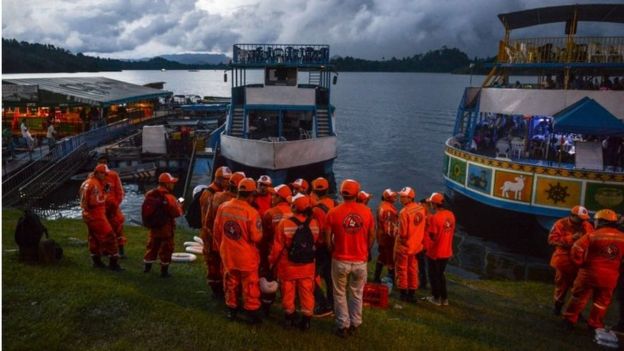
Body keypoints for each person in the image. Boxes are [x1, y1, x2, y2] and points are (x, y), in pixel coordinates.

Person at [325, 179, 375, 338]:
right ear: (357, 194)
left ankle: (342, 325)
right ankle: (355, 323)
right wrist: (366, 249)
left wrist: (333, 250)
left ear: (341, 193)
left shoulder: (333, 212)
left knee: (339, 293)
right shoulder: (367, 212)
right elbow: (372, 235)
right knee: (357, 292)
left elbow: (327, 239)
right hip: (360, 259)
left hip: (340, 258)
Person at [563, 209, 624, 331]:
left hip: (589, 273)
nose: (594, 223)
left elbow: (576, 248)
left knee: (578, 297)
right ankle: (594, 323)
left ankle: (569, 320)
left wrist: (580, 263)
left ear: (601, 222)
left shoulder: (592, 235)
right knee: (601, 302)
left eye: (596, 220)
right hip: (611, 276)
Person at [213, 178, 264, 323]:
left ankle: (231, 310)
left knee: (230, 282)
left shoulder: (223, 207)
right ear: (251, 194)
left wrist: (222, 247)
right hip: (246, 256)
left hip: (228, 254)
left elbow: (217, 231)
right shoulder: (251, 212)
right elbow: (256, 237)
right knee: (250, 284)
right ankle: (251, 312)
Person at [269, 193, 320, 331]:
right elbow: (314, 242)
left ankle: (289, 318)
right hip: (308, 266)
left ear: (294, 207)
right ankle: (306, 321)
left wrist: (271, 262)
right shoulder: (314, 223)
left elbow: (277, 247)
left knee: (288, 292)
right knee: (307, 292)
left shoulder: (284, 223)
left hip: (288, 266)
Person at [203, 171, 246, 298]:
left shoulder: (215, 196)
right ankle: (229, 293)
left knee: (213, 264)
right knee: (228, 268)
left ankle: (216, 290)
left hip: (213, 236)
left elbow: (208, 221)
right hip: (229, 240)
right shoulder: (240, 205)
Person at [547, 205, 594, 315]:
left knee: (579, 289)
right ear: (572, 216)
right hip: (564, 261)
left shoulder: (587, 226)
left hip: (580, 261)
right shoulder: (560, 224)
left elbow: (592, 240)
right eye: (580, 218)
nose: (583, 221)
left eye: (584, 219)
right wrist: (571, 238)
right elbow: (552, 240)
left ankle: (575, 311)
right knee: (561, 287)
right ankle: (558, 306)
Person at [259, 184, 293, 316]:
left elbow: (263, 237)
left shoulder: (270, 213)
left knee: (269, 280)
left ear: (280, 198)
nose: (271, 197)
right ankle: (289, 311)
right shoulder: (295, 212)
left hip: (273, 253)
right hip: (291, 254)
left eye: (274, 195)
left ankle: (266, 307)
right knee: (288, 284)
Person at [79, 164, 122, 271]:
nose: (105, 176)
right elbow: (96, 201)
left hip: (87, 214)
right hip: (96, 215)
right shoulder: (95, 184)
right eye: (103, 173)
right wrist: (106, 195)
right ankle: (113, 263)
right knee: (110, 236)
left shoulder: (86, 182)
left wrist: (103, 192)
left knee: (93, 238)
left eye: (105, 174)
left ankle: (96, 261)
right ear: (97, 172)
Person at [142, 172, 184, 277]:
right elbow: (176, 213)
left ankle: (147, 268)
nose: (173, 185)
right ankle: (164, 272)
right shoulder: (169, 197)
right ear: (167, 184)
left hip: (154, 227)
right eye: (172, 183)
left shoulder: (150, 194)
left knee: (152, 247)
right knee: (166, 248)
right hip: (166, 228)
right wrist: (179, 205)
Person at [199, 166, 232, 298]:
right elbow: (208, 218)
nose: (228, 182)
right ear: (217, 179)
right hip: (210, 233)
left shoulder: (221, 193)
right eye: (225, 179)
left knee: (220, 261)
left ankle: (222, 286)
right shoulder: (209, 194)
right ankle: (215, 289)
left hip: (218, 233)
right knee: (213, 262)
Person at [310, 177, 337, 317]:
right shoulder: (335, 204)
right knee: (330, 277)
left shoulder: (314, 210)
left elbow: (314, 231)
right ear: (327, 190)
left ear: (313, 191)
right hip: (333, 247)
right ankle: (333, 304)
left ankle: (323, 304)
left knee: (309, 277)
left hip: (320, 248)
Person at [423, 192, 455, 306]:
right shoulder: (451, 215)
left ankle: (436, 298)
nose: (430, 205)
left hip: (435, 252)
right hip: (447, 251)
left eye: (431, 203)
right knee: (441, 275)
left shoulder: (434, 218)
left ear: (434, 204)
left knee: (434, 275)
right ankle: (444, 299)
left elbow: (432, 236)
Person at [395, 186, 426, 302]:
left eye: (403, 197)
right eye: (400, 196)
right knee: (413, 269)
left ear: (410, 198)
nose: (400, 199)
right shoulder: (421, 209)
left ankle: (403, 294)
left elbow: (402, 233)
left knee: (402, 269)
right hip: (417, 246)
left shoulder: (404, 212)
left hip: (405, 247)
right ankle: (412, 292)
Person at [96, 155, 127, 258]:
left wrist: (115, 204)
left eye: (104, 162)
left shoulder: (113, 175)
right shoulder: (92, 177)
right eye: (100, 162)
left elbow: (120, 192)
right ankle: (104, 250)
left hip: (113, 209)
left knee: (118, 228)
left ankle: (121, 250)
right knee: (102, 230)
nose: (102, 164)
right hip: (100, 209)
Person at [373, 189, 398, 283]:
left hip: (381, 237)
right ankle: (392, 280)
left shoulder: (382, 206)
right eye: (393, 196)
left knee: (382, 257)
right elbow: (389, 229)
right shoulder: (388, 210)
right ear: (388, 198)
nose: (395, 198)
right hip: (388, 239)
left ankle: (376, 277)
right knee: (391, 260)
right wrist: (396, 238)